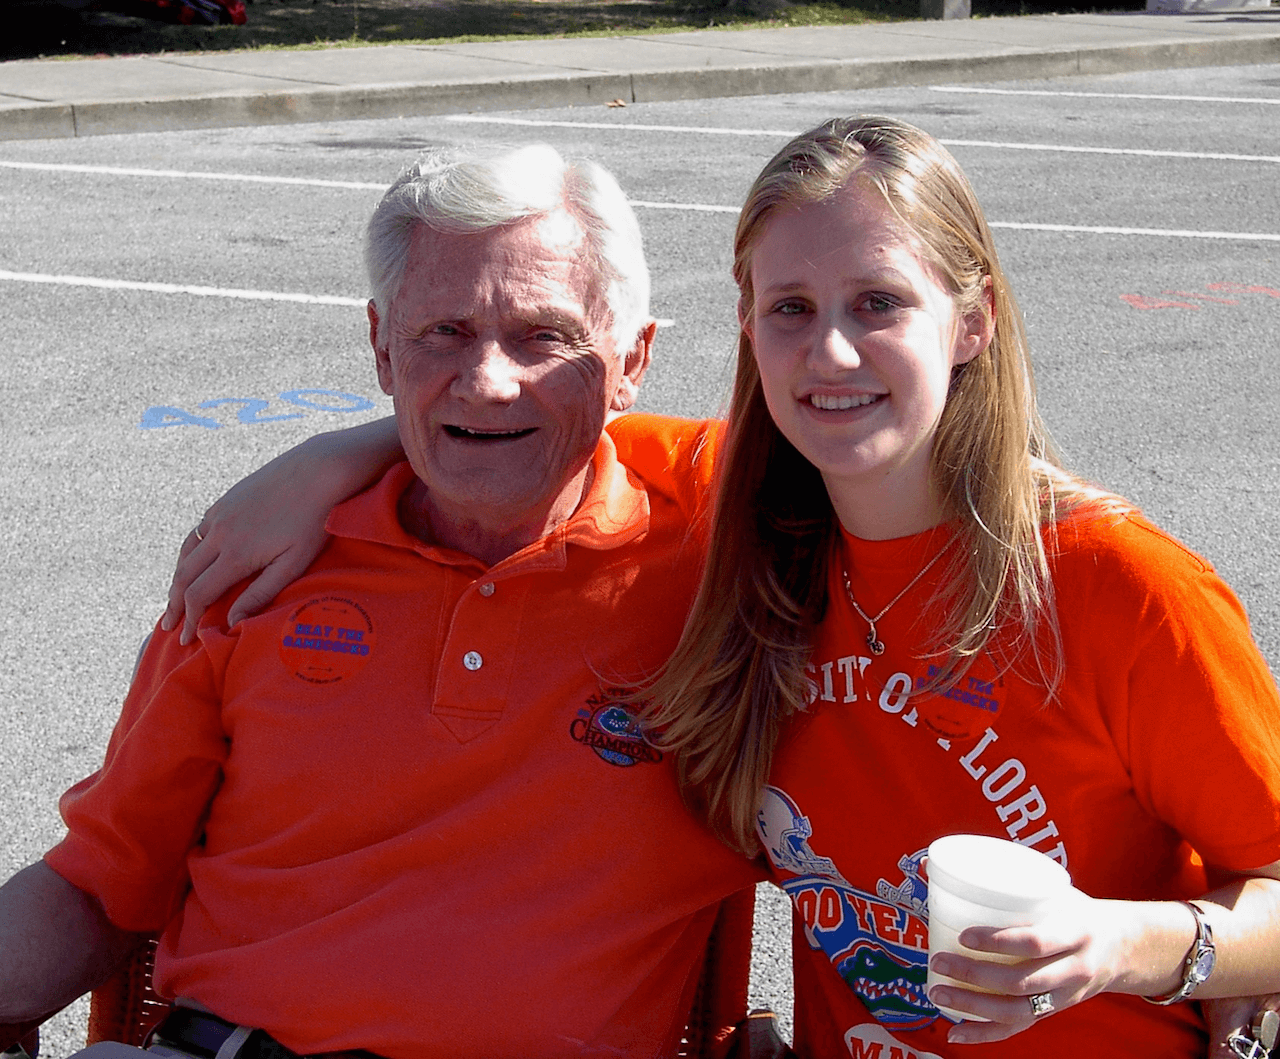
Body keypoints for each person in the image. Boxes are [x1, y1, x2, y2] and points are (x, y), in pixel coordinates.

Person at [159, 119, 1280, 1059]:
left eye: (878, 303)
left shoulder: (1113, 583)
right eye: (788, 308)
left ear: (973, 319)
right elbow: (522, 414)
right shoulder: (744, 541)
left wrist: (1123, 946)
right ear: (746, 326)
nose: (829, 355)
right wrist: (336, 457)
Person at [0, 142, 762, 1059]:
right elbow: (99, 881)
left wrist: (344, 447)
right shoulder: (259, 563)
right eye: (440, 332)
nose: (486, 380)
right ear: (378, 346)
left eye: (543, 335)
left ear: (633, 357)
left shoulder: (727, 543)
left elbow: (891, 444)